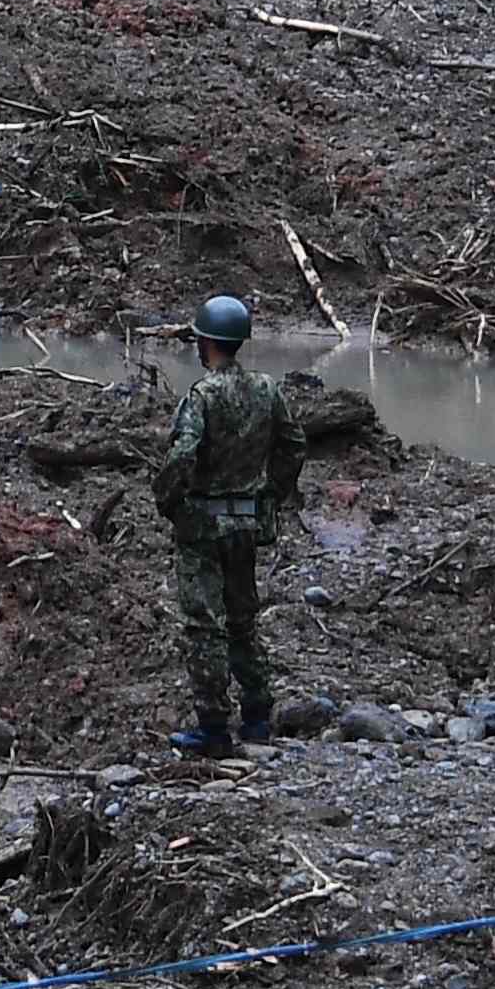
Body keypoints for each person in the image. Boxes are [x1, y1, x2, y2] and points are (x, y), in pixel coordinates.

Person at [151, 292, 301, 754]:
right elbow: (293, 445)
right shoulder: (266, 389)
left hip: (203, 525)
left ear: (207, 343)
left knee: (204, 623)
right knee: (243, 619)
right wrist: (272, 493)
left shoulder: (203, 395)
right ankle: (257, 715)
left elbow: (182, 454)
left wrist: (169, 500)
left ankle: (213, 726)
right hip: (247, 520)